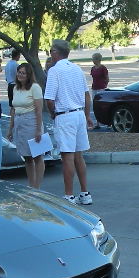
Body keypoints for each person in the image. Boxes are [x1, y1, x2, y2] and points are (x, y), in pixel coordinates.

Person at [44, 39, 94, 205]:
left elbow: (49, 99)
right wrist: (87, 115)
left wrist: (53, 114)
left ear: (55, 52)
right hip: (79, 113)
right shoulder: (77, 68)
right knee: (79, 155)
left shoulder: (54, 71)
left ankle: (69, 195)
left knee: (67, 156)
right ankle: (85, 192)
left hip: (64, 114)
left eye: (51, 51)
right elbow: (87, 96)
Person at [9, 62, 46, 189]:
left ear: (29, 75)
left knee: (37, 156)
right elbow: (13, 109)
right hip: (19, 122)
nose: (20, 75)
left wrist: (38, 130)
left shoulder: (35, 87)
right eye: (19, 72)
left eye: (23, 73)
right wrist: (10, 129)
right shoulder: (15, 88)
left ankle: (37, 186)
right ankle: (31, 185)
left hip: (31, 121)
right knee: (27, 157)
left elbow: (38, 110)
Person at [89, 52, 109, 130]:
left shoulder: (103, 68)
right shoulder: (93, 68)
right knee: (95, 106)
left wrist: (104, 87)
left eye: (93, 59)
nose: (92, 60)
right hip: (94, 88)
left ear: (97, 59)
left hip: (101, 88)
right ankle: (97, 123)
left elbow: (107, 78)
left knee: (102, 106)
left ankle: (107, 122)